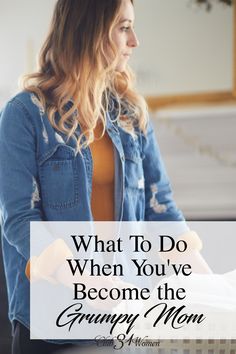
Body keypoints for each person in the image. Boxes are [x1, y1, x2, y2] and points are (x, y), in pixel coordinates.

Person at [0, 1, 210, 353]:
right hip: (52, 322)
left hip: (126, 315)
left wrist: (212, 286)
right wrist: (89, 284)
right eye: (124, 27)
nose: (135, 41)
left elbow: (162, 211)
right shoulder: (24, 114)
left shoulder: (131, 115)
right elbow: (20, 219)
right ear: (90, 31)